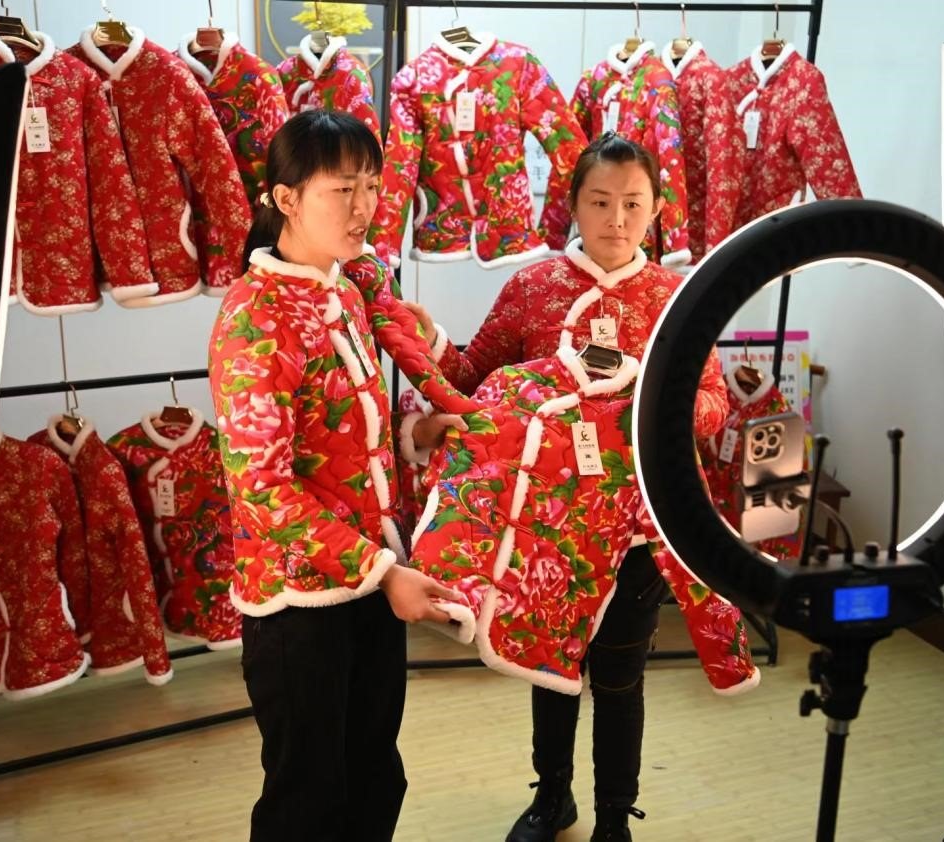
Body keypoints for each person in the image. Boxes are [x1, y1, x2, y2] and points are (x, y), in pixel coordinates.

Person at [405, 133, 730, 842]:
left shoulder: (677, 299)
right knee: (548, 662)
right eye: (600, 201)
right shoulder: (533, 288)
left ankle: (615, 817)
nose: (617, 219)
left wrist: (650, 407)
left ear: (656, 209)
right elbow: (473, 379)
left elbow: (714, 403)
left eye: (633, 203)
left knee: (619, 673)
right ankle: (552, 797)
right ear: (574, 206)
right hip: (545, 523)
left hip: (639, 522)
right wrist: (429, 342)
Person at [208, 109, 466, 842]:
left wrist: (414, 437)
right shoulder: (254, 319)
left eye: (372, 187)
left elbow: (344, 433)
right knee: (308, 799)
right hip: (301, 603)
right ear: (286, 199)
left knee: (374, 775)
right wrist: (384, 573)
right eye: (342, 189)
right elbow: (263, 490)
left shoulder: (344, 289)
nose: (363, 208)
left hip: (370, 582)